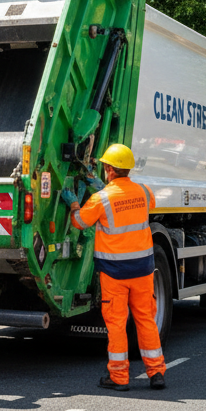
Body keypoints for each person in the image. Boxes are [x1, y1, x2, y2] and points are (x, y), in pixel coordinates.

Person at [62, 143, 167, 391]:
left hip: (115, 272)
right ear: (127, 169)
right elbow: (148, 203)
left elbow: (79, 222)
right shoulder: (142, 191)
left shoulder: (101, 199)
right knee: (146, 320)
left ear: (109, 169)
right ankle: (156, 373)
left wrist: (74, 203)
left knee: (117, 324)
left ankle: (119, 378)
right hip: (142, 270)